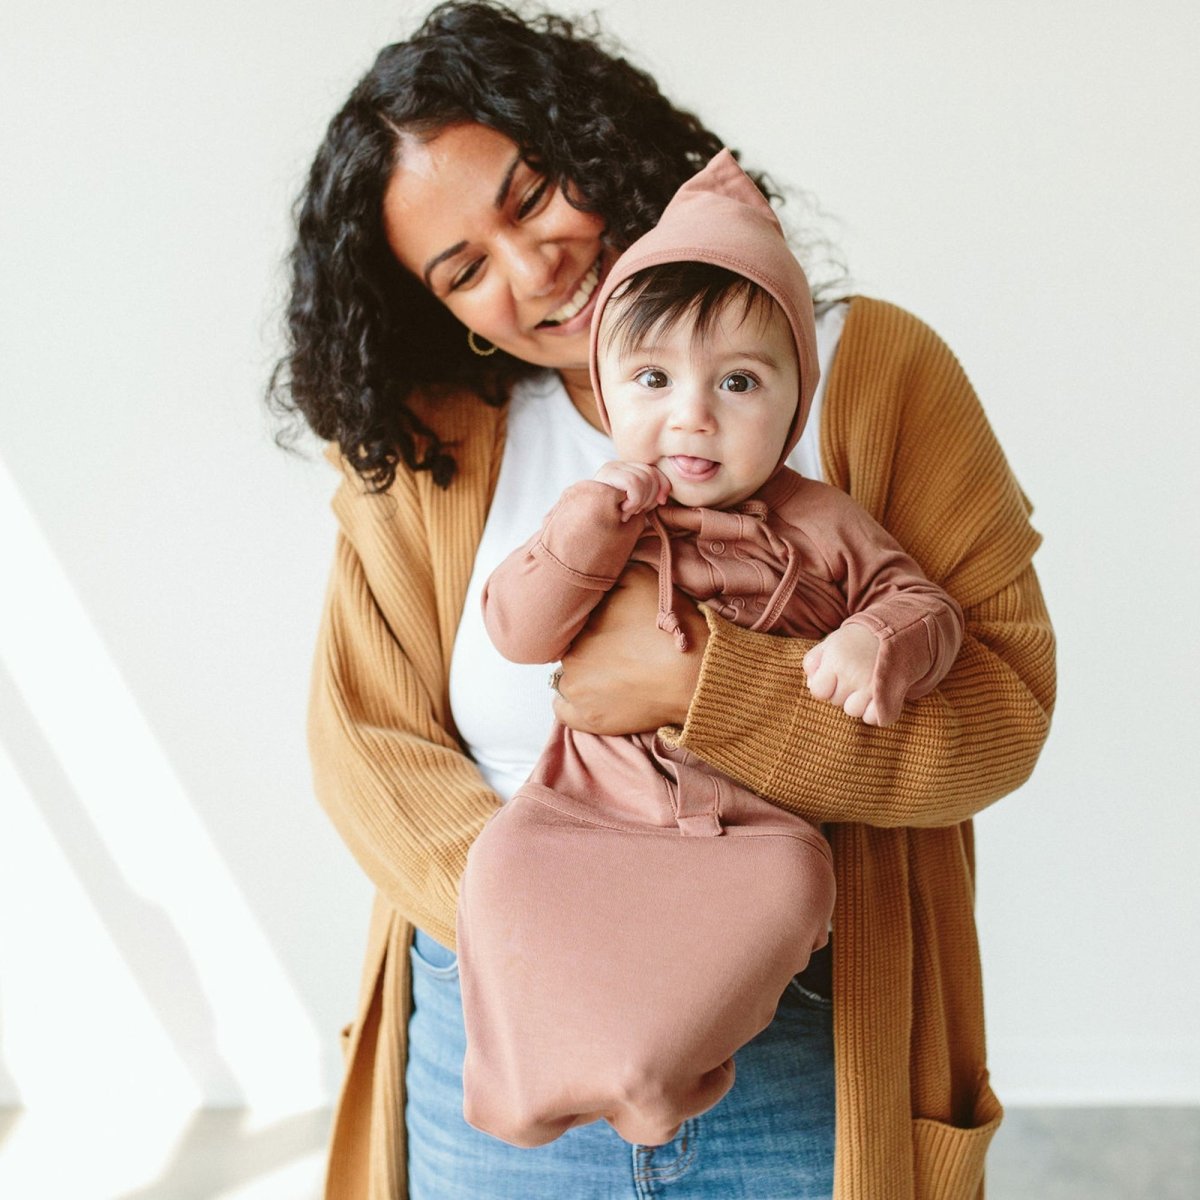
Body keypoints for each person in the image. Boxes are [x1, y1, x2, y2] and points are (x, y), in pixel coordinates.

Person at [269, 3, 1055, 1197]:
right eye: (464, 268)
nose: (535, 267)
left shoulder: (872, 373)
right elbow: (365, 751)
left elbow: (1003, 716)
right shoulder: (431, 444)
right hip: (505, 1024)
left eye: (531, 195)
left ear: (597, 141)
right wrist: (576, 933)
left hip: (802, 1041)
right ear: (434, 310)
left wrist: (709, 691)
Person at [458, 149, 965, 1151]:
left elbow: (928, 605)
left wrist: (874, 636)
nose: (692, 415)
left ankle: (652, 1072)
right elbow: (516, 629)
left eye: (738, 382)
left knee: (794, 890)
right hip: (584, 807)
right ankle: (521, 1079)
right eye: (653, 379)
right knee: (499, 868)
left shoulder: (821, 521)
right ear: (610, 394)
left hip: (743, 828)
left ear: (792, 403)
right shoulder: (599, 510)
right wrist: (584, 531)